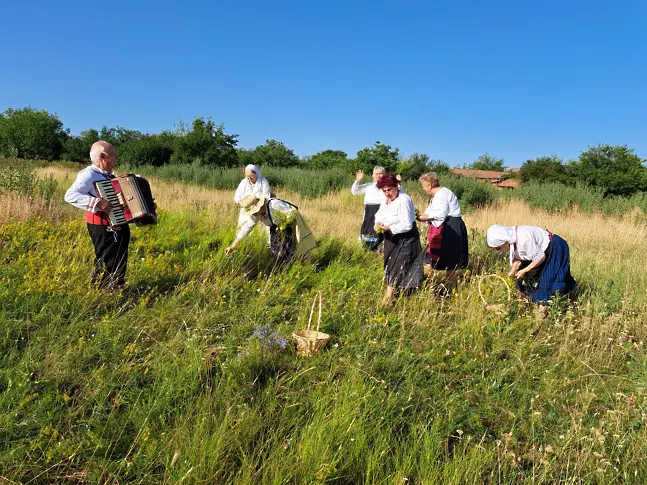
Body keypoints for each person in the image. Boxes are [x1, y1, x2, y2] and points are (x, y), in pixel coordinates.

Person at [64, 141, 130, 290]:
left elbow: (119, 202)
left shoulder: (108, 175)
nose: (116, 159)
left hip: (118, 223)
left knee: (119, 258)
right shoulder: (88, 175)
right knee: (106, 259)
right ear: (102, 157)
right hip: (101, 225)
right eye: (113, 156)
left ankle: (116, 290)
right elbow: (70, 195)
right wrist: (97, 203)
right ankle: (99, 293)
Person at [486, 224, 577, 305]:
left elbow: (540, 257)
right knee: (523, 282)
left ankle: (546, 311)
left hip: (554, 248)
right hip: (538, 253)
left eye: (498, 248)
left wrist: (524, 270)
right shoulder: (511, 239)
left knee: (547, 282)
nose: (499, 251)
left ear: (503, 241)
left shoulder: (523, 239)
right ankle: (526, 305)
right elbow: (518, 256)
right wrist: (513, 270)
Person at [374, 173, 424, 304]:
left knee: (398, 265)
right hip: (391, 238)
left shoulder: (404, 200)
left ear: (396, 186)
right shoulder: (385, 200)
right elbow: (379, 214)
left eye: (389, 189)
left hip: (406, 238)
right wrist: (377, 223)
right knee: (391, 264)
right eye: (384, 190)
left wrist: (389, 227)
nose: (387, 193)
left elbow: (407, 224)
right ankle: (403, 292)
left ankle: (388, 299)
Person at [224, 194, 315, 266]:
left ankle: (306, 269)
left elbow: (292, 212)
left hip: (292, 224)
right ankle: (285, 268)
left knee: (300, 248)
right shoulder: (257, 214)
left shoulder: (274, 205)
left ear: (259, 207)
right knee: (278, 252)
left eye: (253, 211)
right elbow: (246, 228)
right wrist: (233, 246)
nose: (252, 214)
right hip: (277, 227)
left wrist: (284, 224)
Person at [416, 173, 468, 284]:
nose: (423, 189)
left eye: (423, 186)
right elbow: (430, 211)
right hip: (446, 225)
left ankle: (450, 287)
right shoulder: (437, 195)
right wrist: (419, 215)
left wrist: (423, 218)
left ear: (429, 185)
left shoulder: (442, 194)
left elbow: (440, 214)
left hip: (451, 227)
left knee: (450, 261)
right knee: (434, 258)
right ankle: (434, 283)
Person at [351, 166, 386, 250]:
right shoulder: (368, 186)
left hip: (383, 213)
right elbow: (354, 191)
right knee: (366, 234)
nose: (378, 176)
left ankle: (380, 250)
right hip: (368, 214)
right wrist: (358, 180)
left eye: (381, 174)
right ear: (372, 176)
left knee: (381, 232)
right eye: (376, 174)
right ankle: (365, 250)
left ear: (385, 175)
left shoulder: (388, 188)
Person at [234, 164, 271, 231]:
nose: (249, 179)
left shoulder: (263, 182)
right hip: (245, 211)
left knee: (258, 232)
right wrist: (242, 203)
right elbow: (237, 196)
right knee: (242, 231)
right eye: (247, 177)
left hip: (258, 211)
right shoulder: (244, 182)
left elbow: (266, 197)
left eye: (251, 176)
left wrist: (257, 204)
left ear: (256, 174)